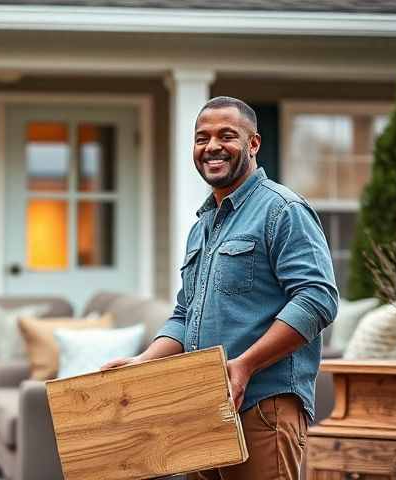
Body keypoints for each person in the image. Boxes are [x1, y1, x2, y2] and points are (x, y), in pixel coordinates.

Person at [101, 96, 338, 480]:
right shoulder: (203, 225)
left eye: (226, 135)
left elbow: (317, 299)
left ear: (254, 144)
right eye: (201, 138)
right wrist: (141, 363)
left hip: (263, 406)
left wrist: (244, 366)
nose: (211, 146)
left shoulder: (282, 210)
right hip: (202, 409)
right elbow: (184, 315)